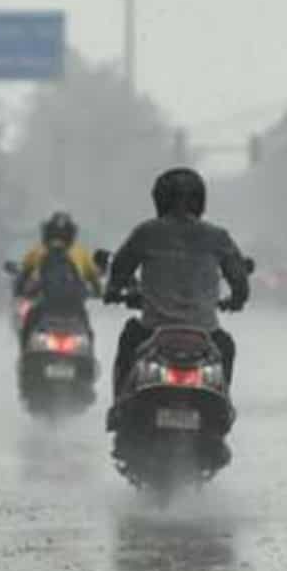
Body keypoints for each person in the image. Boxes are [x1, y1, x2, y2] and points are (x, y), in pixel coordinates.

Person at [103, 167, 249, 429]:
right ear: (200, 200)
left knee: (128, 341)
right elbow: (239, 280)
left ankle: (118, 409)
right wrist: (237, 299)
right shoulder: (218, 237)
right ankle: (222, 412)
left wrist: (114, 290)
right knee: (226, 346)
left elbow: (120, 269)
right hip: (206, 333)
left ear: (160, 199)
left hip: (151, 331)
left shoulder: (146, 233)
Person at [17, 211, 101, 343]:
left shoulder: (37, 251)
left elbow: (23, 276)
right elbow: (95, 279)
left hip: (46, 306)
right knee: (87, 332)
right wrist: (98, 292)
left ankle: (24, 357)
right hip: (75, 307)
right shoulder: (81, 252)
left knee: (28, 324)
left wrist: (22, 290)